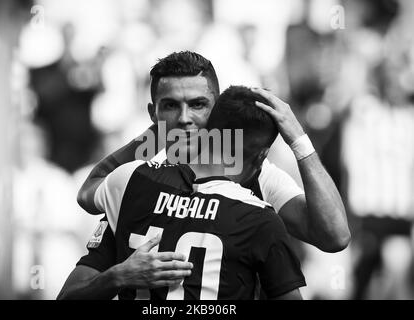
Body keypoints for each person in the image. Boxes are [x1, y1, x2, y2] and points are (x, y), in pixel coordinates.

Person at [75, 51, 350, 291]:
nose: (184, 119)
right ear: (152, 113)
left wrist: (300, 142)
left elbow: (334, 236)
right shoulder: (139, 177)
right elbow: (87, 196)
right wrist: (156, 133)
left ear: (216, 108)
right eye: (170, 106)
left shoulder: (255, 172)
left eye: (197, 104)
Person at [58, 86, 306, 300]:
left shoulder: (131, 181)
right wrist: (299, 140)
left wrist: (116, 277)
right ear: (262, 155)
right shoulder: (260, 218)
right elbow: (336, 236)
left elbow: (87, 193)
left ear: (209, 128)